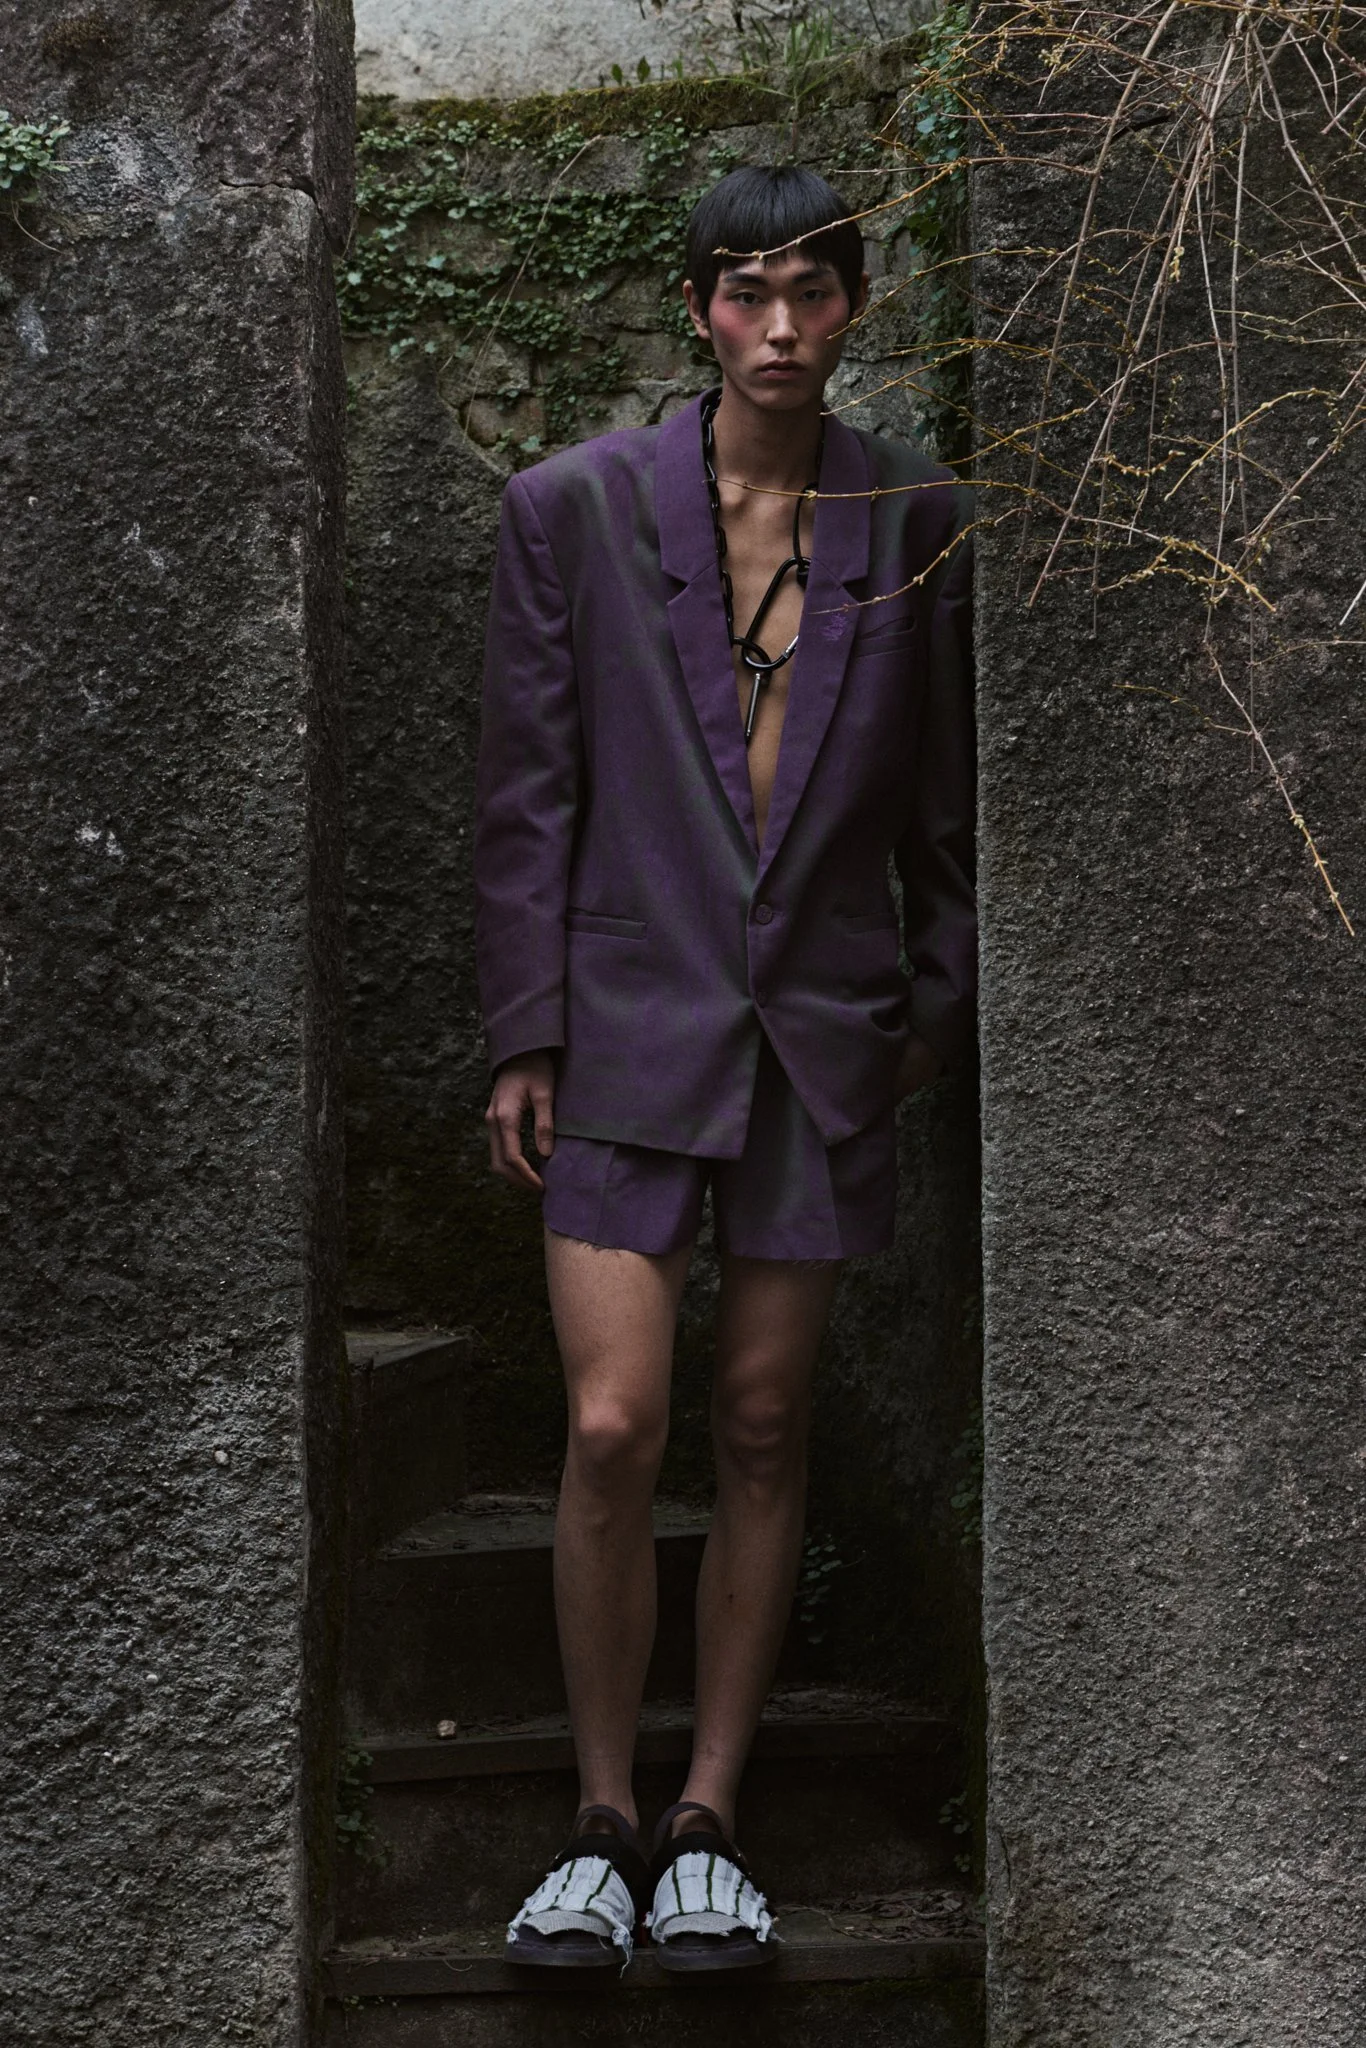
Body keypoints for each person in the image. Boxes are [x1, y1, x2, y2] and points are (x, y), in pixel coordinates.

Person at [473, 163, 975, 1974]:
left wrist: (926, 1012)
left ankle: (707, 1820)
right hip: (620, 1028)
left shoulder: (913, 515)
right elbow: (528, 790)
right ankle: (599, 1820)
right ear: (697, 307)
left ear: (851, 307)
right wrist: (524, 1029)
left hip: (821, 1039)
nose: (779, 327)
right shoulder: (572, 509)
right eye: (746, 293)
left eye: (811, 294)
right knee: (614, 1422)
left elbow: (947, 807)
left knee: (763, 1420)